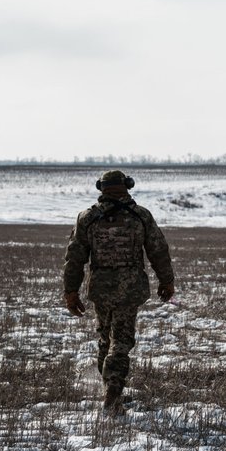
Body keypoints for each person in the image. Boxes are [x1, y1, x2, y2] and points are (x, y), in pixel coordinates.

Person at [63, 170, 175, 416]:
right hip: (130, 288)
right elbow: (158, 250)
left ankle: (109, 390)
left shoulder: (87, 218)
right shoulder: (140, 216)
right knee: (121, 341)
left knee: (105, 337)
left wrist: (71, 291)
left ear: (101, 188)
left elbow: (74, 258)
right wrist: (166, 281)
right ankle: (113, 393)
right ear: (127, 186)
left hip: (100, 288)